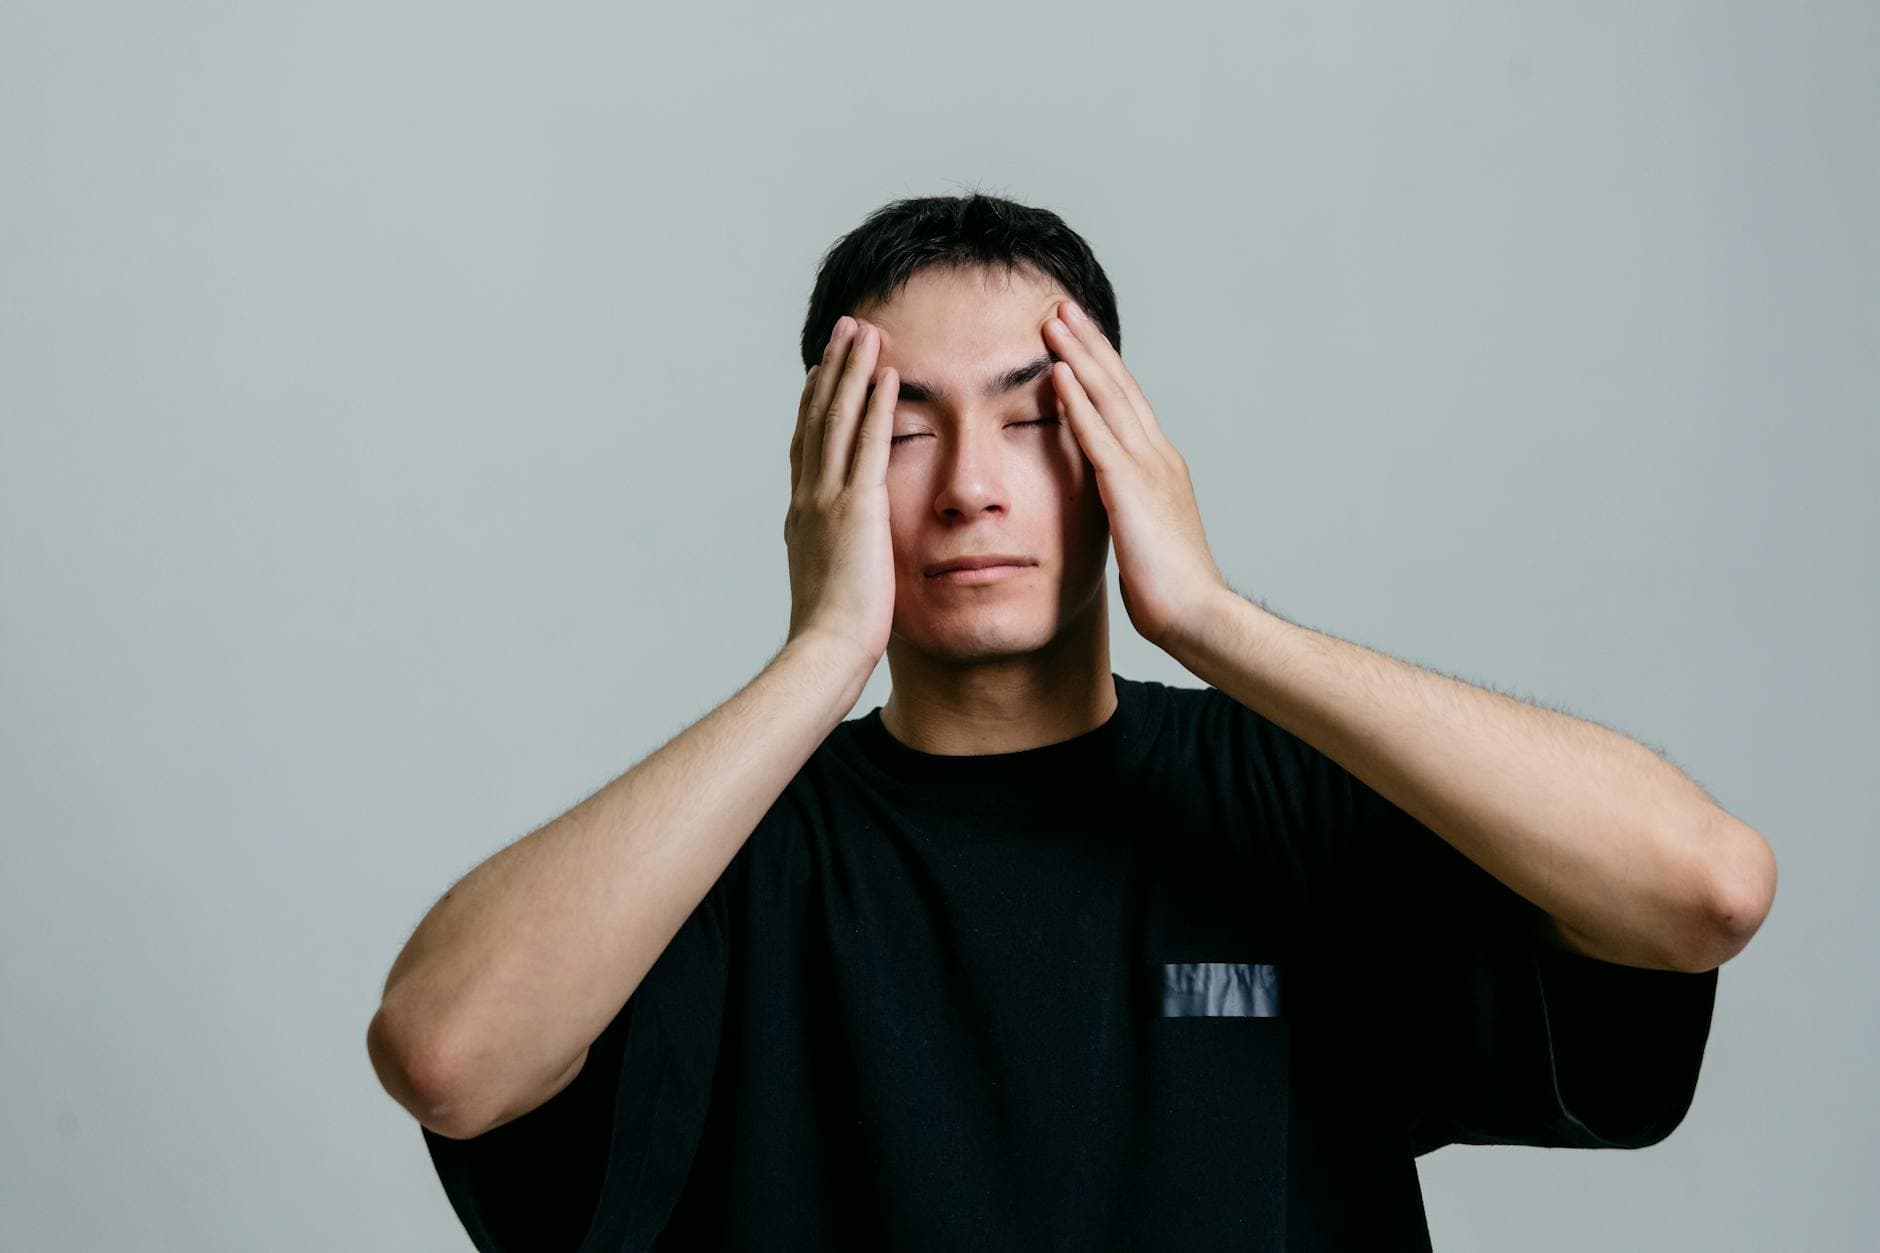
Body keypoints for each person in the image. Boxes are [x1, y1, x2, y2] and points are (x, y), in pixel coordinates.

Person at [367, 193, 1773, 1251]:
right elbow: (446, 1053)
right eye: (904, 426)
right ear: (823, 469)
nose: (974, 484)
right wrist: (819, 653)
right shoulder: (736, 858)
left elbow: (1706, 888)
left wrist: (1217, 619)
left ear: (1121, 451)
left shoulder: (1286, 801)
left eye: (1036, 418)